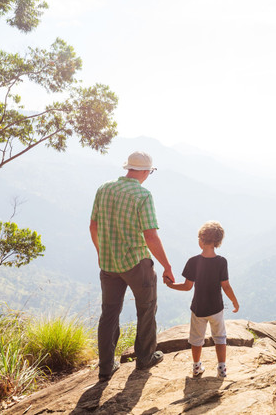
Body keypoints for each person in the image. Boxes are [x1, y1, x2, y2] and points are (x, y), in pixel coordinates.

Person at [90, 151, 175, 382]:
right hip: (136, 263)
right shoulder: (143, 195)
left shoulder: (104, 189)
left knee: (109, 313)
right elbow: (150, 236)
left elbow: (93, 226)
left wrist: (102, 253)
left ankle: (106, 368)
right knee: (146, 308)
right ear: (146, 171)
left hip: (108, 264)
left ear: (128, 168)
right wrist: (167, 266)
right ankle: (145, 358)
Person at [165, 220, 239, 378]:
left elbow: (187, 286)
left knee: (196, 339)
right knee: (220, 337)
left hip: (198, 308)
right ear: (217, 242)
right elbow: (226, 286)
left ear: (201, 240)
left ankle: (197, 368)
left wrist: (171, 285)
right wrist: (234, 301)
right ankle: (221, 369)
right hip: (216, 308)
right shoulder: (221, 262)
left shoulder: (193, 261)